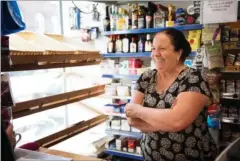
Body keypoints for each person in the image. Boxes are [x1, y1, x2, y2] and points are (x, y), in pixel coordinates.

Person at [125, 28, 217, 161]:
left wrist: (138, 110)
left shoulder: (193, 79)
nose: (155, 54)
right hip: (150, 156)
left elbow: (176, 121)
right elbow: (131, 119)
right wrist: (166, 120)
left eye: (162, 48)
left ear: (178, 53)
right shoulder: (146, 77)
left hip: (190, 156)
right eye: (153, 48)